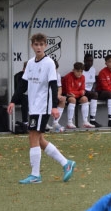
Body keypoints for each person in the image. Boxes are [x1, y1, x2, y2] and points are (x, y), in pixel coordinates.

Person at [11, 33, 76, 184]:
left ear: (45, 45)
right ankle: (66, 163)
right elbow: (23, 85)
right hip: (34, 107)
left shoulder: (49, 63)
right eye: (36, 44)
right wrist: (13, 101)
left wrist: (53, 106)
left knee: (33, 136)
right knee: (39, 139)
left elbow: (53, 85)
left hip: (43, 107)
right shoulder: (30, 63)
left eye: (41, 44)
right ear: (32, 46)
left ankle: (35, 175)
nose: (39, 47)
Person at [60, 62, 91, 129]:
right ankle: (69, 122)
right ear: (73, 70)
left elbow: (83, 90)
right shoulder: (68, 77)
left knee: (85, 99)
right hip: (66, 95)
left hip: (75, 95)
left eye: (81, 71)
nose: (79, 73)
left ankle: (85, 122)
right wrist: (79, 93)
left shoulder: (83, 77)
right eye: (78, 71)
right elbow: (69, 91)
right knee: (72, 99)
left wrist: (77, 94)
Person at [81, 53, 100, 128]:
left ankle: (92, 119)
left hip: (90, 92)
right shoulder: (81, 70)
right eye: (88, 61)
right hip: (82, 91)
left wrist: (93, 89)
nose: (90, 63)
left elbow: (93, 83)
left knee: (95, 94)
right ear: (84, 61)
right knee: (94, 94)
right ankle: (89, 120)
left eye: (91, 61)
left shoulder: (93, 69)